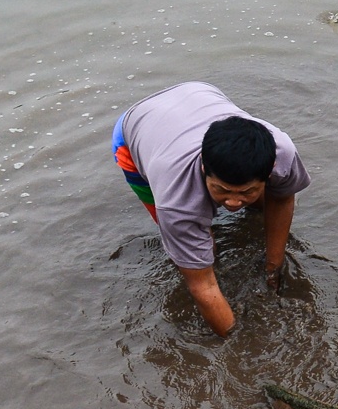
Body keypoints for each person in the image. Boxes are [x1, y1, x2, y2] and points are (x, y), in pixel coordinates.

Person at [112, 82, 310, 336]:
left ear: (270, 170)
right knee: (200, 253)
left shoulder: (282, 153)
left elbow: (282, 199)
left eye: (246, 191)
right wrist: (238, 343)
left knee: (262, 207)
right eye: (222, 190)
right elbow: (203, 287)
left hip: (199, 94)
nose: (233, 203)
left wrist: (274, 268)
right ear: (204, 168)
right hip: (134, 130)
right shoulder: (175, 202)